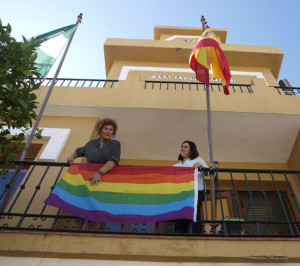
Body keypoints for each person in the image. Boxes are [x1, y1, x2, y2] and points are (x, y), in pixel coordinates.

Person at [66, 117, 121, 229]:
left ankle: (93, 232)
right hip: (87, 179)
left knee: (98, 207)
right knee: (82, 205)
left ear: (113, 133)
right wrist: (71, 156)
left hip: (103, 180)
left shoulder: (115, 144)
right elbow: (79, 151)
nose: (108, 131)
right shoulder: (91, 144)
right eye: (106, 128)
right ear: (100, 130)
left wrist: (99, 173)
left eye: (111, 130)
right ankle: (77, 231)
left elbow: (114, 160)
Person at [173, 140, 208, 233]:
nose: (182, 148)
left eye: (185, 147)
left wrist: (201, 166)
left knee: (194, 213)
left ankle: (197, 235)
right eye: (182, 146)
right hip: (180, 193)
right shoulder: (176, 165)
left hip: (195, 191)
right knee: (180, 213)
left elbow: (207, 172)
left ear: (191, 150)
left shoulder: (198, 159)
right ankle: (181, 234)